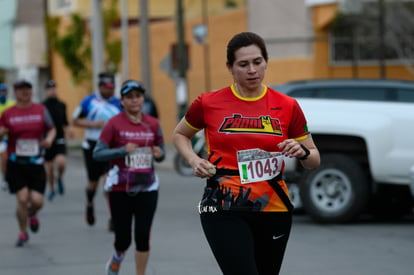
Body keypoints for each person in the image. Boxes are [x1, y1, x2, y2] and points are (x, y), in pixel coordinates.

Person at [172, 32, 321, 275]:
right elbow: (180, 135)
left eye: (257, 62)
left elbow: (314, 160)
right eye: (243, 64)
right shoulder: (208, 103)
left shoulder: (288, 106)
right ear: (230, 67)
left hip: (274, 207)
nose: (252, 70)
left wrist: (302, 151)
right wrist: (193, 159)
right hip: (222, 206)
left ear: (266, 62)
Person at [93, 80, 165, 275]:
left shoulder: (153, 124)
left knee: (142, 235)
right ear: (122, 101)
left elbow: (162, 151)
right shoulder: (113, 124)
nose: (135, 101)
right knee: (123, 239)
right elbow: (98, 153)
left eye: (138, 96)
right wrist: (122, 150)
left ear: (143, 99)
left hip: (147, 186)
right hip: (119, 188)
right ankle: (117, 258)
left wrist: (159, 153)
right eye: (129, 97)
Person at [0, 80, 56, 247]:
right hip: (16, 162)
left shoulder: (41, 110)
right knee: (23, 199)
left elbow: (52, 128)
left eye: (27, 89)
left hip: (36, 162)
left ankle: (31, 214)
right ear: (15, 93)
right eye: (20, 90)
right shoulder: (8, 113)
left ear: (32, 92)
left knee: (37, 201)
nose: (24, 92)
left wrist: (49, 139)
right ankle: (23, 232)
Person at [72, 73, 122, 227]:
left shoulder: (119, 103)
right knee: (93, 182)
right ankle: (89, 204)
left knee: (109, 182)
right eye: (106, 88)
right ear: (100, 87)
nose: (109, 90)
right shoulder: (89, 101)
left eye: (112, 88)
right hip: (92, 146)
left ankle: (113, 217)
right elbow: (75, 120)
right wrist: (92, 125)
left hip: (110, 147)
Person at [43, 80, 74, 201]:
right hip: (47, 139)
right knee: (49, 168)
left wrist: (69, 130)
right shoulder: (42, 106)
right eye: (50, 88)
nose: (53, 90)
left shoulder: (62, 104)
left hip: (60, 137)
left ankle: (59, 178)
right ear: (46, 90)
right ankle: (51, 188)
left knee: (61, 163)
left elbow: (65, 121)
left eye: (54, 88)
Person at [0, 83, 15, 191]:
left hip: (11, 136)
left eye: (4, 92)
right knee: (4, 158)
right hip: (1, 137)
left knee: (10, 158)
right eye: (1, 92)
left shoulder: (12, 104)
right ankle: (5, 179)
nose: (3, 94)